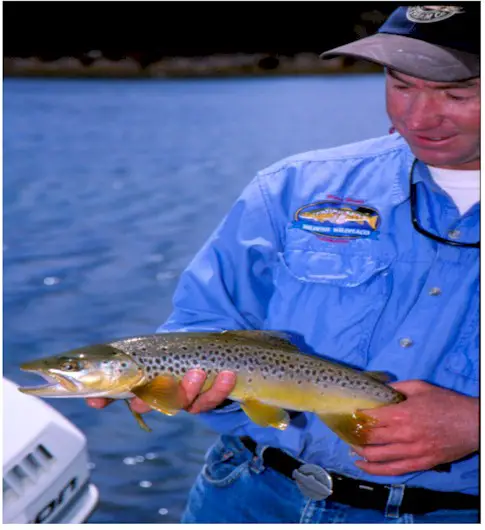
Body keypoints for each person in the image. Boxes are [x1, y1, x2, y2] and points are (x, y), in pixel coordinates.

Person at [87, 4, 480, 524]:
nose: (417, 117)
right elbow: (203, 327)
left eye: (458, 93)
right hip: (246, 495)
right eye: (400, 84)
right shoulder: (292, 187)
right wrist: (185, 388)